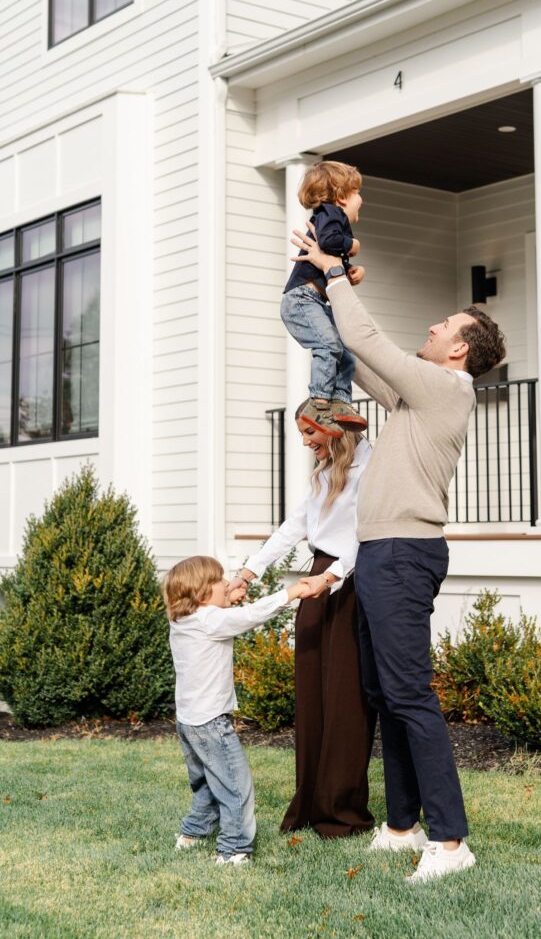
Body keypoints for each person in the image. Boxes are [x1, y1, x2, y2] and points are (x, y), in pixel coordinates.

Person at [291, 225, 506, 883]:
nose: (435, 326)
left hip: (404, 553)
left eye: (445, 323)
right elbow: (359, 357)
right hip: (382, 552)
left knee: (410, 694)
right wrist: (320, 299)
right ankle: (402, 823)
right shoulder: (421, 396)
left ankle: (450, 840)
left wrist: (333, 271)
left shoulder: (450, 388)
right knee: (385, 691)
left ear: (459, 348)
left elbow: (369, 341)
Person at [227, 403, 376, 838]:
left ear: (333, 430)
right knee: (313, 700)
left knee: (347, 703)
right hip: (317, 583)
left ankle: (343, 813)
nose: (306, 442)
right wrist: (246, 574)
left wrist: (329, 578)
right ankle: (310, 803)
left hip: (351, 586)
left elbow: (366, 535)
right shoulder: (325, 472)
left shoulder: (371, 468)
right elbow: (294, 527)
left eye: (310, 433)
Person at [164, 555, 311, 866]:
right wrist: (292, 592)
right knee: (234, 786)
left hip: (188, 724)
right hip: (212, 724)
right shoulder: (211, 621)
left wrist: (226, 597)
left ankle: (192, 834)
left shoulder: (182, 621)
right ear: (203, 593)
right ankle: (233, 850)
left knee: (205, 783)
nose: (226, 584)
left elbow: (216, 612)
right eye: (220, 581)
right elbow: (252, 615)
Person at [280, 160, 368, 437]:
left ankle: (341, 404)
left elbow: (327, 257)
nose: (361, 200)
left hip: (314, 300)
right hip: (302, 300)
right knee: (329, 346)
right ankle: (318, 404)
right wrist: (353, 246)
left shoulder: (332, 217)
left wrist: (350, 271)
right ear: (341, 197)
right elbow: (329, 243)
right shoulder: (331, 213)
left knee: (346, 355)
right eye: (357, 194)